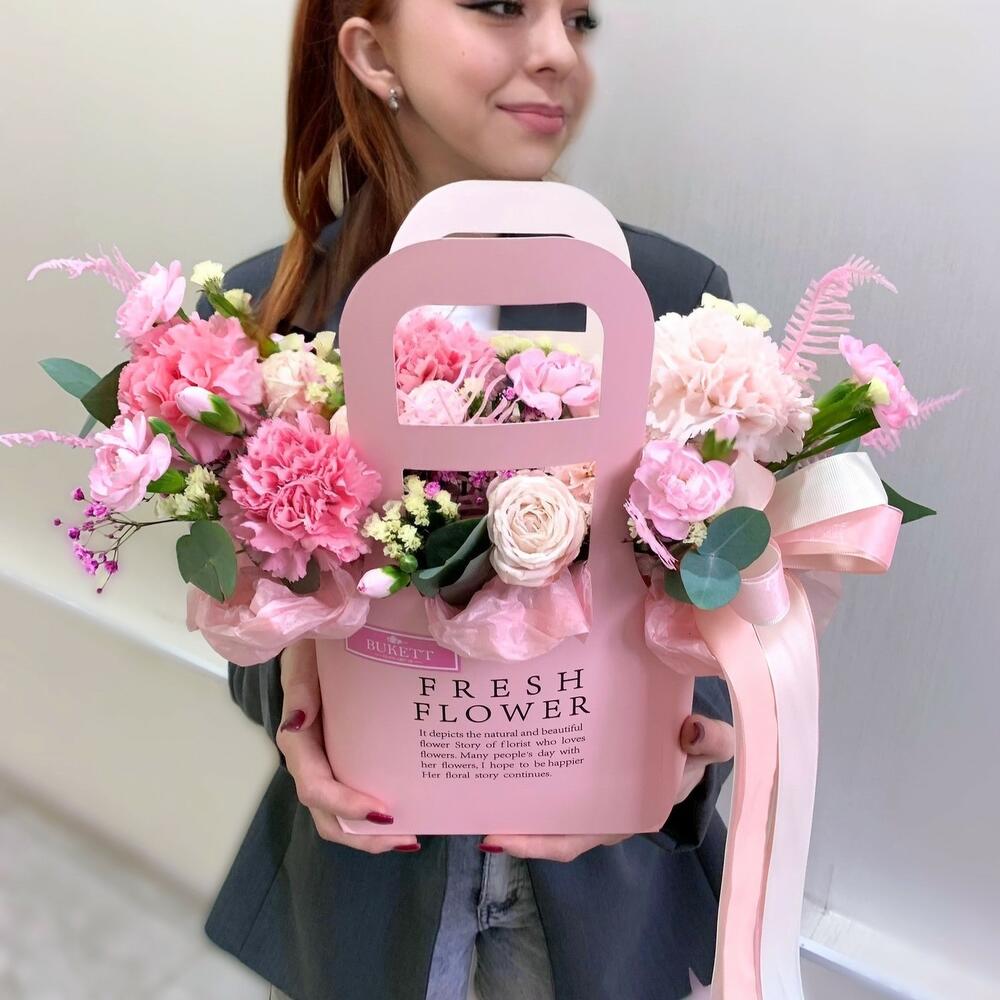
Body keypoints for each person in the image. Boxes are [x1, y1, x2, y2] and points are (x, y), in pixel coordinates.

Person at [196, 2, 737, 998]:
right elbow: (241, 617)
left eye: (579, 19)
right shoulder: (265, 317)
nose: (558, 53)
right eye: (499, 6)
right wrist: (298, 704)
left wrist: (684, 743)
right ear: (372, 52)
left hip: (602, 895)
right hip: (369, 885)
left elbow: (723, 588)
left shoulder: (666, 298)